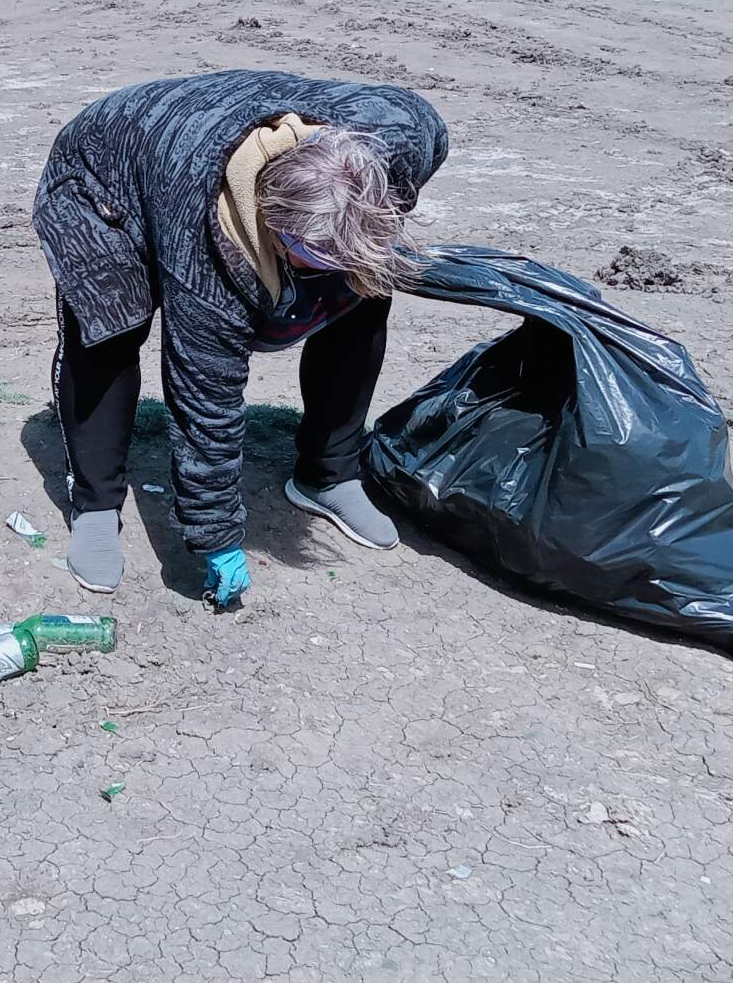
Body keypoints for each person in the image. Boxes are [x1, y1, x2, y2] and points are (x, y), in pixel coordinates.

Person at [32, 73, 449, 605]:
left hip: (212, 127)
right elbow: (206, 393)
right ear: (270, 222)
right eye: (314, 254)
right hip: (104, 174)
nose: (325, 266)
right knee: (110, 328)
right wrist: (217, 536)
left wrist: (347, 259)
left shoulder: (402, 138)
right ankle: (95, 504)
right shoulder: (206, 251)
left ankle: (328, 474)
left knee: (363, 291)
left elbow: (409, 134)